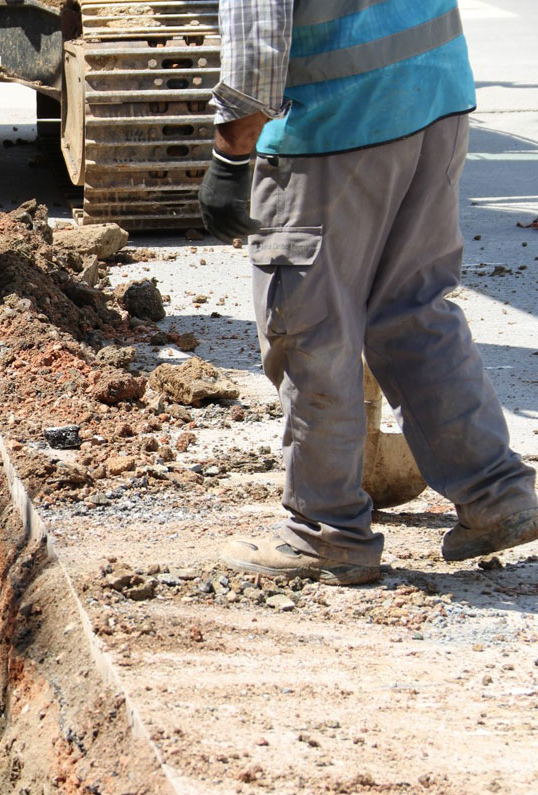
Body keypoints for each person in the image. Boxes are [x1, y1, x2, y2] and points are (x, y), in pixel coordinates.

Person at [197, 0, 538, 585]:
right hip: (435, 97)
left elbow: (255, 56)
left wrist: (229, 159)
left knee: (311, 329)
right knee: (413, 310)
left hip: (335, 124)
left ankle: (325, 533)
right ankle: (498, 495)